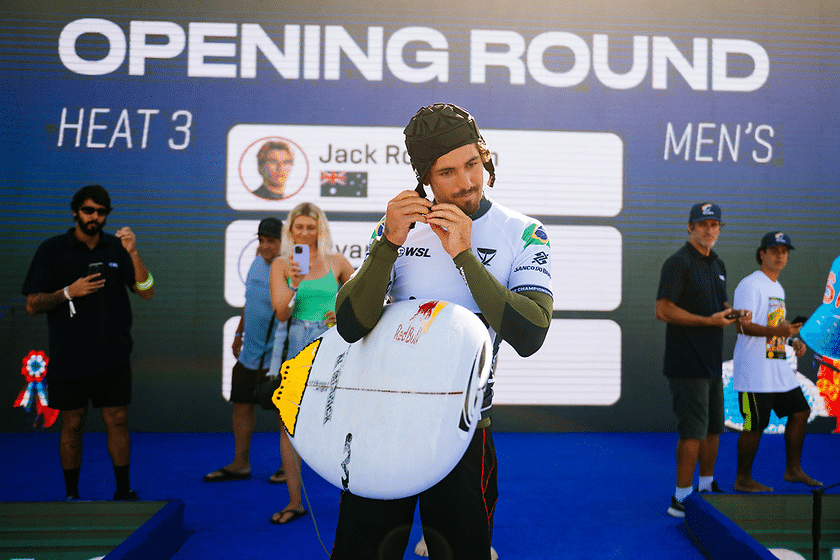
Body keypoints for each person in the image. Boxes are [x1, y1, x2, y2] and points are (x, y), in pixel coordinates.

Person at [329, 103, 553, 560]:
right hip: (383, 425)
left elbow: (530, 335)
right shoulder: (398, 228)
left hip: (464, 431)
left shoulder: (525, 232)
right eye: (447, 172)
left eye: (473, 163)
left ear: (485, 156)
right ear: (425, 178)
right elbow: (351, 325)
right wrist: (387, 244)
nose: (467, 181)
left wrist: (465, 256)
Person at [22, 184, 155, 501]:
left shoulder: (116, 248)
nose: (95, 217)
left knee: (117, 420)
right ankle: (71, 495)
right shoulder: (52, 249)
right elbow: (31, 304)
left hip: (113, 353)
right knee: (73, 422)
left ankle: (123, 491)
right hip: (70, 355)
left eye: (101, 212)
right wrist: (69, 292)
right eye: (88, 210)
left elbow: (147, 289)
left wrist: (133, 252)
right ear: (75, 212)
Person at [655, 202, 747, 518]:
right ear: (690, 227)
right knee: (692, 431)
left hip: (711, 363)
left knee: (712, 429)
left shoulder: (717, 263)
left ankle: (705, 487)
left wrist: (732, 313)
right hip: (686, 363)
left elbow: (717, 305)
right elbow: (663, 309)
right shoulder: (678, 263)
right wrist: (709, 321)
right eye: (703, 224)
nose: (709, 230)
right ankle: (680, 498)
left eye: (714, 225)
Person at [267, 202, 354, 524]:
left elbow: (362, 302)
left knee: (343, 421)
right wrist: (293, 283)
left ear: (321, 229)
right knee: (290, 425)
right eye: (298, 227)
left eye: (310, 227)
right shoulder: (280, 265)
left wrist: (342, 314)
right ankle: (295, 501)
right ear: (290, 230)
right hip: (299, 346)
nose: (304, 232)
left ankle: (355, 497)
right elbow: (281, 312)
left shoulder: (338, 262)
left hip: (334, 347)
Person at [731, 231, 823, 492]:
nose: (781, 256)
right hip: (754, 372)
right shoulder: (750, 284)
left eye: (784, 252)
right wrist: (780, 332)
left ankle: (793, 470)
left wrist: (791, 342)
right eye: (775, 251)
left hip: (777, 369)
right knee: (755, 425)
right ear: (762, 254)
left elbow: (774, 328)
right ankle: (742, 479)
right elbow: (743, 327)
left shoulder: (777, 287)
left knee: (800, 412)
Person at [204, 217, 287, 484]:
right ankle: (241, 463)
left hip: (277, 356)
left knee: (282, 413)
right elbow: (249, 300)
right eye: (261, 240)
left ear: (282, 242)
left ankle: (288, 468)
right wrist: (239, 331)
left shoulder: (288, 267)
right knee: (241, 405)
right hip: (249, 352)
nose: (264, 246)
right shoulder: (255, 261)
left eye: (271, 241)